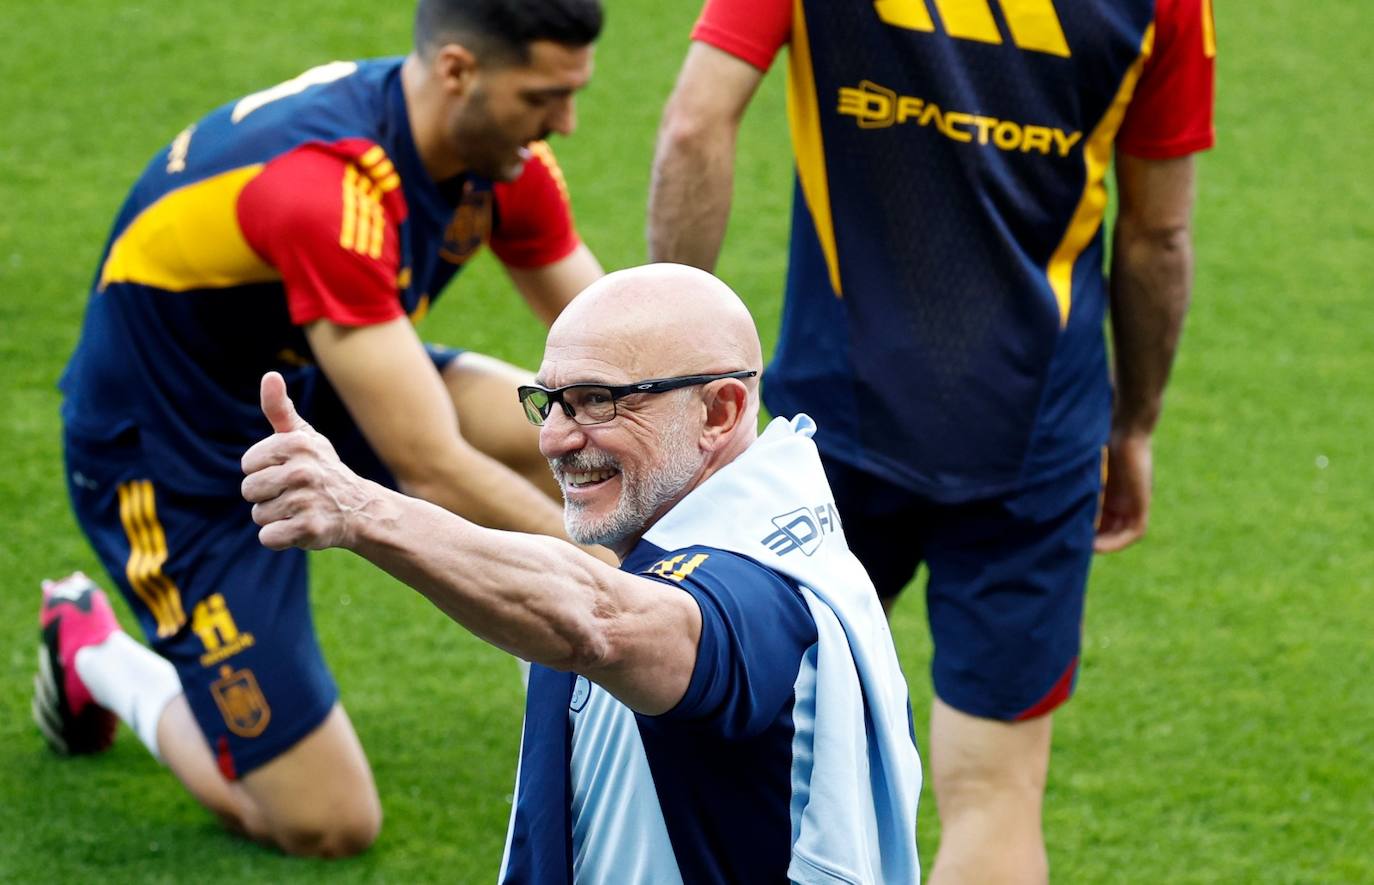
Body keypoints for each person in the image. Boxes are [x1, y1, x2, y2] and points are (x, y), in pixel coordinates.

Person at [648, 0, 1215, 880]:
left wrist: (674, 379)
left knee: (739, 735)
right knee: (995, 791)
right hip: (1035, 435)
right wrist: (1134, 422)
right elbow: (1158, 235)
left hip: (825, 430)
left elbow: (694, 125)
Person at [34, 0, 608, 857]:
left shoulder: (502, 155)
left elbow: (610, 345)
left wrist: (707, 455)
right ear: (457, 70)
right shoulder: (329, 189)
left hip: (309, 379)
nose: (563, 123)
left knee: (579, 436)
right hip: (165, 453)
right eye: (542, 97)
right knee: (325, 821)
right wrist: (620, 580)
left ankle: (583, 692)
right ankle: (90, 650)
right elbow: (432, 468)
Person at [240, 262, 923, 882]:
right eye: (550, 400)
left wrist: (362, 511)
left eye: (598, 400)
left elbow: (597, 623)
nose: (555, 439)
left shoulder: (760, 589)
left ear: (720, 411)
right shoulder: (754, 521)